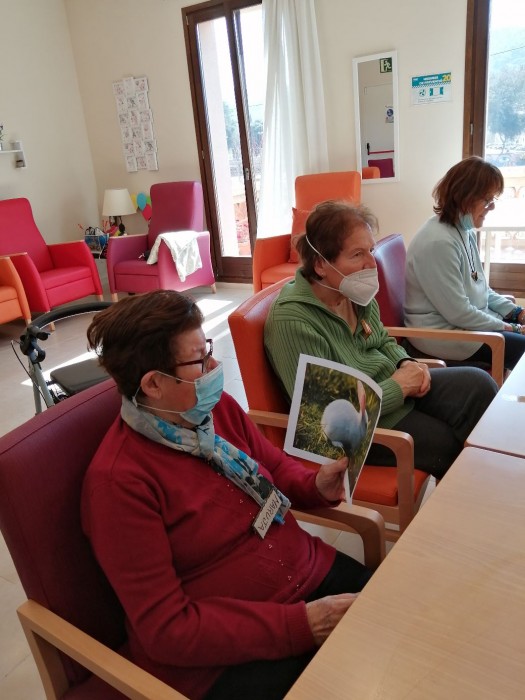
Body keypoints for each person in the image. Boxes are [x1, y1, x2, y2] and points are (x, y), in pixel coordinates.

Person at [81, 289, 373, 700]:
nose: (215, 367)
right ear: (154, 384)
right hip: (227, 655)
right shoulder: (120, 485)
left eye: (209, 350)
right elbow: (167, 629)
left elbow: (274, 466)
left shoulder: (214, 411)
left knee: (402, 627)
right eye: (200, 360)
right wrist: (302, 625)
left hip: (305, 574)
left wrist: (313, 485)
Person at [264, 200, 498, 480]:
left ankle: (481, 483)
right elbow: (326, 417)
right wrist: (399, 386)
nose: (371, 264)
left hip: (391, 391)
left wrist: (406, 363)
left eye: (371, 250)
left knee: (479, 385)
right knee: (448, 445)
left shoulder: (353, 293)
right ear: (321, 264)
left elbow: (382, 340)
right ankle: (470, 493)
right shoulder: (292, 320)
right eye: (357, 254)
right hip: (355, 432)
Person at [404, 155, 525, 369]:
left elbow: (482, 290)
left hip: (467, 324)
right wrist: (511, 328)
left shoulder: (463, 230)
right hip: (444, 334)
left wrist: (516, 313)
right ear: (463, 197)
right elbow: (459, 313)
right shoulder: (438, 243)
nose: (492, 207)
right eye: (487, 200)